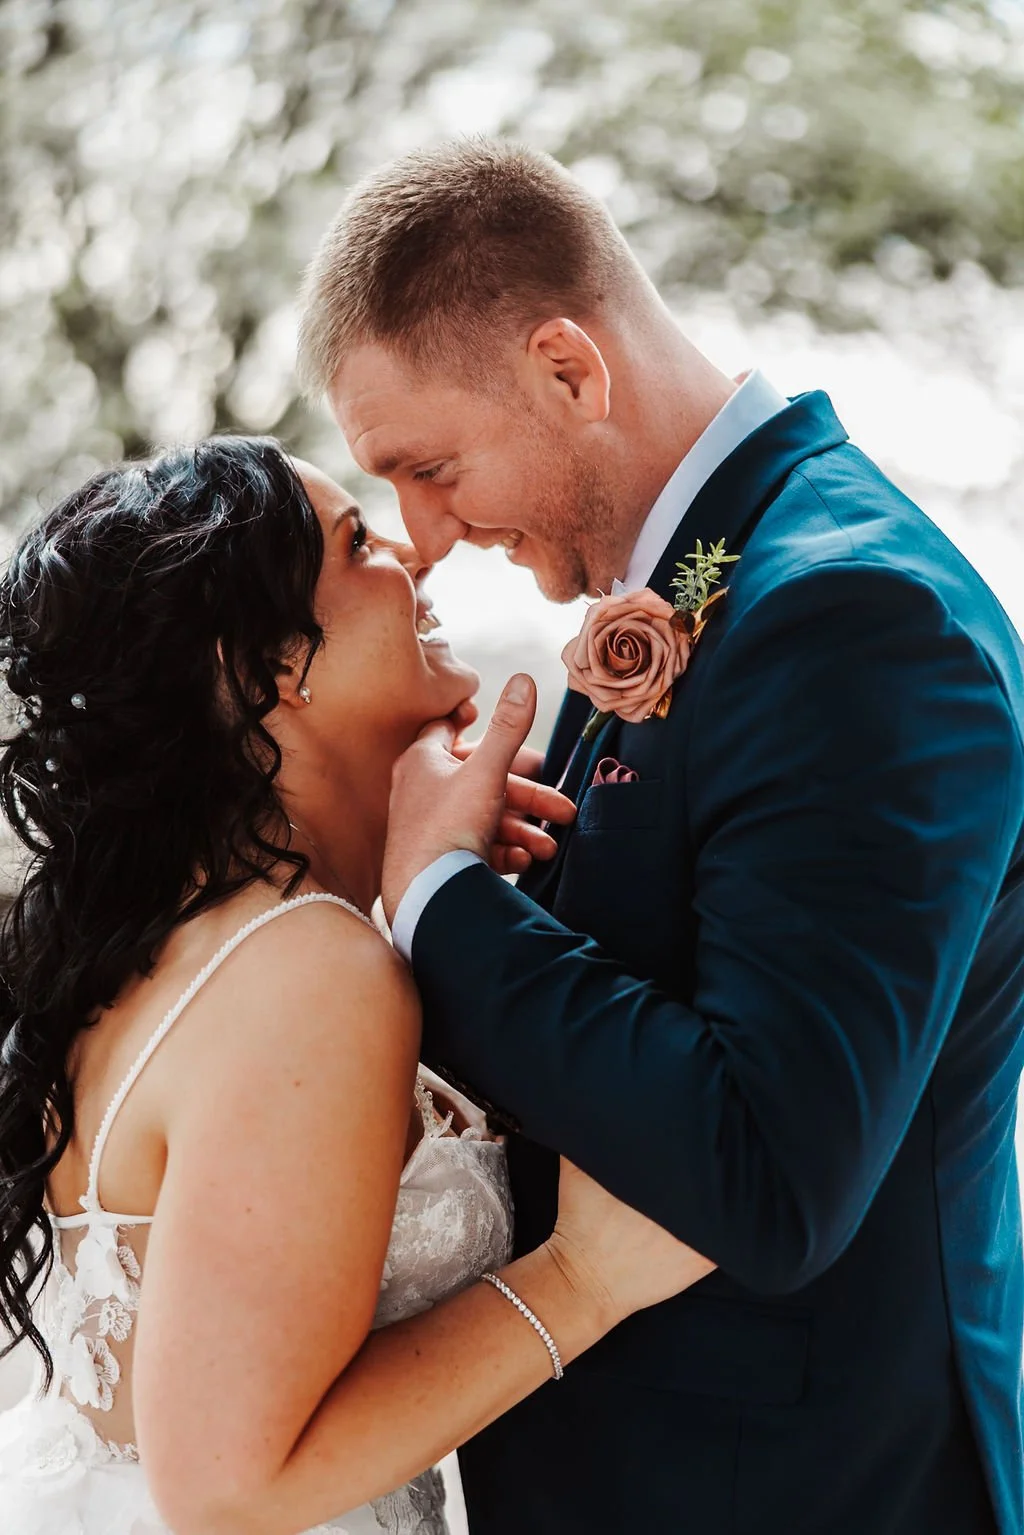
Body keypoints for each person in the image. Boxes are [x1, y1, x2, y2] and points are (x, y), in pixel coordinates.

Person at [298, 138, 1024, 1534]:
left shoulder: (855, 619)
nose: (425, 535)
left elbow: (767, 1172)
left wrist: (445, 897)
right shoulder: (714, 566)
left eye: (433, 466)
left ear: (570, 369)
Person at [0, 435, 713, 1535]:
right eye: (354, 541)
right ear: (272, 666)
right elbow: (230, 1484)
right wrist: (583, 1279)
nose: (412, 552)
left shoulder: (172, 945)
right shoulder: (309, 968)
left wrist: (434, 877)